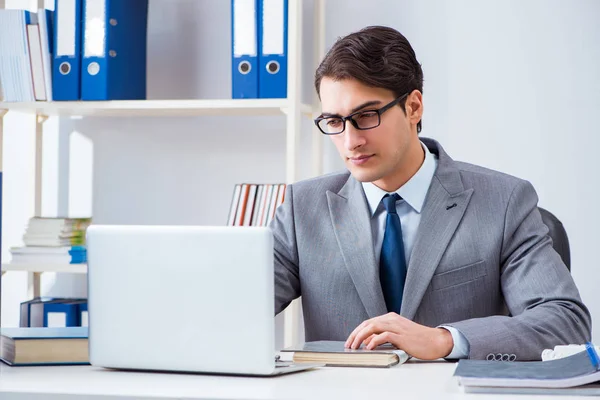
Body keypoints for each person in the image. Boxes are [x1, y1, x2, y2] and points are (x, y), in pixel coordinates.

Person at [271, 26, 591, 361]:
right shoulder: (301, 210)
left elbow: (565, 321)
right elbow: (233, 308)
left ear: (413, 107)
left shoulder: (504, 202)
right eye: (334, 122)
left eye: (366, 115)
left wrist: (446, 340)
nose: (350, 142)